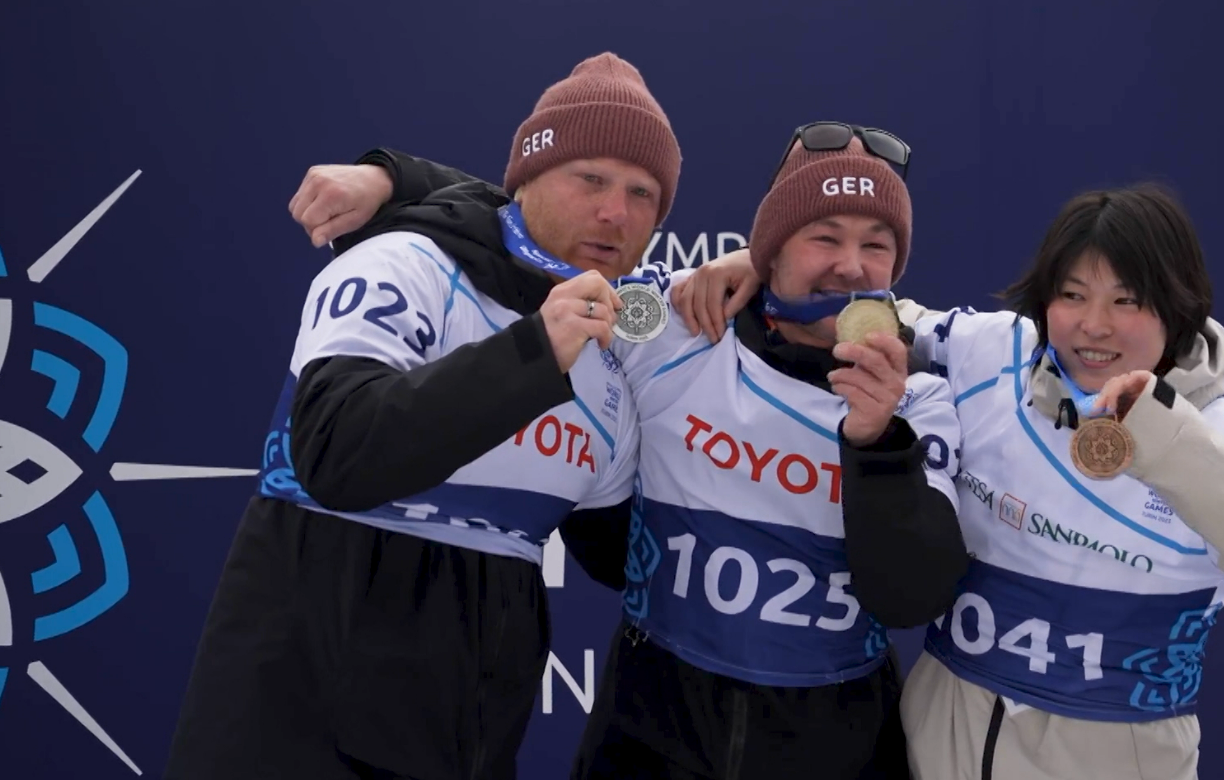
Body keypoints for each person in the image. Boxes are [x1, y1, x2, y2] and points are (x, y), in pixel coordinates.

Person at [288, 124, 971, 779]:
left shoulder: (919, 399)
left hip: (840, 741)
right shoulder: (672, 326)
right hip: (654, 731)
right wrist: (397, 177)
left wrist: (876, 443)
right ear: (769, 251)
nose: (848, 266)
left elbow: (909, 598)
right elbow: (541, 231)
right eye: (822, 237)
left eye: (875, 246)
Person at [675, 184, 1224, 780]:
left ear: (1176, 308)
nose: (1093, 325)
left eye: (1126, 301)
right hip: (932, 749)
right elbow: (869, 315)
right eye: (1072, 295)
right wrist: (758, 270)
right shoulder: (990, 353)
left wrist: (1168, 441)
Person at [164, 51, 683, 780]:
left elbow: (623, 554)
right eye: (589, 178)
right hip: (293, 730)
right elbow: (339, 453)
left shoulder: (610, 357)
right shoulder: (405, 264)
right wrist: (532, 354)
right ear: (526, 178)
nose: (614, 212)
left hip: (463, 743)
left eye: (643, 194)